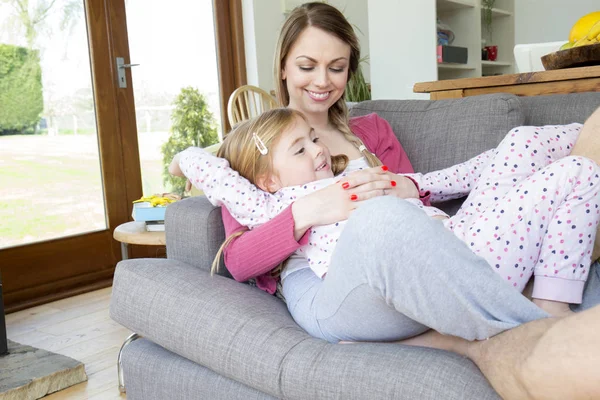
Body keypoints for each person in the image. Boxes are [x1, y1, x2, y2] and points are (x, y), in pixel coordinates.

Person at [177, 2, 600, 398]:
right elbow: (239, 258)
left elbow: (415, 208)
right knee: (384, 219)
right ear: (284, 67)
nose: (322, 81)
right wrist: (313, 209)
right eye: (307, 66)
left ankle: (580, 157)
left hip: (436, 236)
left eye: (337, 67)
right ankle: (522, 326)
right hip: (340, 273)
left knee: (530, 147)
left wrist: (411, 187)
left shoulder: (372, 131)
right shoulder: (259, 159)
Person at [173, 107, 600, 315]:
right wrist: (184, 158)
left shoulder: (354, 168)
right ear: (267, 180)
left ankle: (588, 130)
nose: (318, 150)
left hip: (460, 231)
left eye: (313, 139)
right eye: (300, 149)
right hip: (455, 265)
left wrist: (408, 185)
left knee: (524, 139)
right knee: (576, 173)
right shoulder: (271, 204)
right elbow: (220, 182)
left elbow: (438, 180)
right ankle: (551, 309)